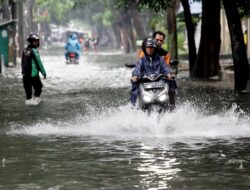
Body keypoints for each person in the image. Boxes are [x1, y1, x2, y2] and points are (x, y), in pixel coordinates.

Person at [130, 37, 171, 107]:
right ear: (145, 48)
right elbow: (137, 68)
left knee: (172, 82)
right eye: (148, 47)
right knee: (134, 85)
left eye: (151, 47)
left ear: (155, 48)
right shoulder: (141, 60)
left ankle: (172, 104)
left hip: (160, 82)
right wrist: (135, 75)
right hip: (145, 82)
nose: (150, 49)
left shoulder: (161, 59)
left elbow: (165, 67)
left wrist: (168, 73)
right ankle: (133, 105)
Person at [21, 33, 46, 105]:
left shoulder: (24, 50)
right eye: (35, 41)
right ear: (30, 42)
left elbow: (22, 62)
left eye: (37, 41)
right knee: (39, 88)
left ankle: (30, 102)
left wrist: (23, 72)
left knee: (28, 94)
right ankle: (36, 100)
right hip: (33, 75)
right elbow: (39, 63)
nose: (37, 42)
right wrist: (43, 73)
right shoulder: (34, 51)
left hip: (25, 75)